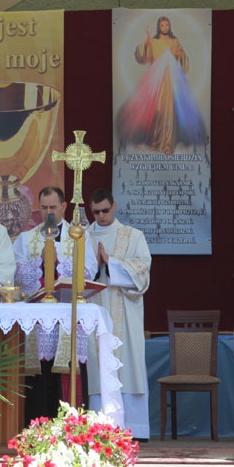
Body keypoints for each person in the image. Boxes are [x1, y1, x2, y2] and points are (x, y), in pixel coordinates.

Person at [12, 186, 98, 423]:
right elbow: (17, 276)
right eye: (44, 208)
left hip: (68, 315)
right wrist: (39, 263)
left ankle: (68, 426)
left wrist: (59, 264)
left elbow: (89, 271)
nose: (48, 212)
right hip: (37, 321)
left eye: (53, 207)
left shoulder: (80, 235)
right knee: (38, 376)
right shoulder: (26, 238)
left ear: (64, 207)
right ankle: (34, 424)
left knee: (68, 369)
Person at [84, 188, 151, 439]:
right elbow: (74, 272)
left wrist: (111, 262)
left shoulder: (133, 235)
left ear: (114, 206)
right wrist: (96, 264)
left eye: (105, 210)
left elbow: (143, 270)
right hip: (94, 311)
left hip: (125, 311)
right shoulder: (82, 237)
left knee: (128, 365)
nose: (101, 216)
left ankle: (134, 427)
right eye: (96, 212)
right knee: (96, 365)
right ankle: (98, 426)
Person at [116, 15, 205, 155]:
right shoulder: (153, 42)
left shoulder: (175, 41)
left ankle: (168, 144)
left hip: (171, 81)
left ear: (169, 26)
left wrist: (179, 54)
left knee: (169, 112)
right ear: (159, 27)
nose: (164, 27)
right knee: (156, 111)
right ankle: (155, 141)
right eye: (162, 25)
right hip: (155, 81)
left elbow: (184, 61)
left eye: (166, 25)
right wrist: (146, 42)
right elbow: (142, 57)